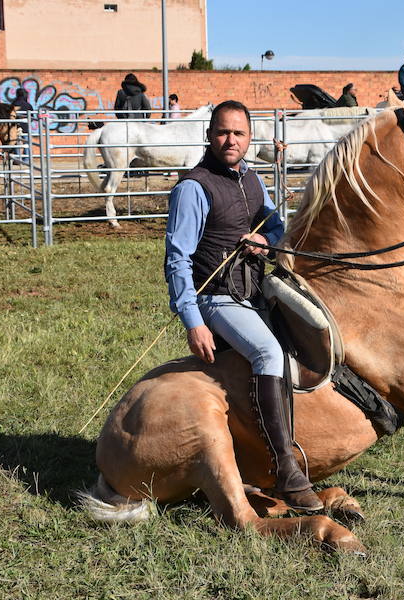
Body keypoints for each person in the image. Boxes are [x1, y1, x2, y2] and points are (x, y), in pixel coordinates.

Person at [164, 100, 322, 512]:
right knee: (268, 352)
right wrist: (193, 321)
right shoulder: (193, 188)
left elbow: (276, 226)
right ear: (209, 135)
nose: (229, 140)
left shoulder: (254, 181)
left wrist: (266, 241)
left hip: (253, 292)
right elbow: (177, 260)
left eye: (238, 133)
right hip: (214, 298)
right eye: (222, 131)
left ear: (250, 139)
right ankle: (285, 468)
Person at [10, 88, 34, 161]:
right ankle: (27, 158)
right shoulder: (28, 105)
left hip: (15, 126)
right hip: (26, 126)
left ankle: (17, 159)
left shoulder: (14, 104)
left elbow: (10, 115)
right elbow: (32, 117)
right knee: (27, 143)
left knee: (16, 142)